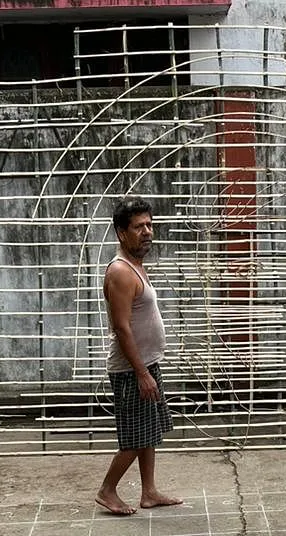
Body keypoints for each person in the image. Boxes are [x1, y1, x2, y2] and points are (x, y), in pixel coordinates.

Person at [96, 197, 182, 516]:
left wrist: (148, 367)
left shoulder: (136, 265)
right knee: (134, 436)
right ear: (121, 233)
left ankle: (149, 492)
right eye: (138, 227)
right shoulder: (120, 271)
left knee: (149, 430)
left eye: (149, 225)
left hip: (145, 363)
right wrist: (141, 373)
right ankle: (107, 490)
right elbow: (121, 327)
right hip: (131, 368)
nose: (147, 231)